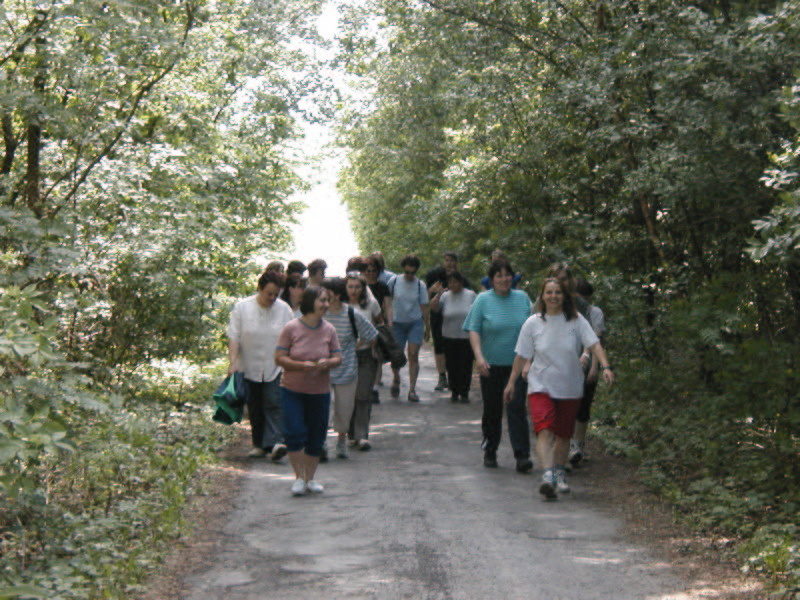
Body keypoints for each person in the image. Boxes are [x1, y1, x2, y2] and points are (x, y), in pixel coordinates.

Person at [503, 277, 614, 500]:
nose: (553, 297)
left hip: (570, 385)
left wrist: (605, 366)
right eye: (549, 292)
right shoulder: (532, 323)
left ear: (565, 296)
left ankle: (560, 472)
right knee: (544, 429)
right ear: (542, 296)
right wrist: (512, 382)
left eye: (558, 293)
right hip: (540, 385)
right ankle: (547, 475)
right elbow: (521, 355)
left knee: (563, 434)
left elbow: (594, 344)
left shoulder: (576, 321)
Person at [463, 258, 533, 472]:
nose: (504, 279)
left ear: (513, 278)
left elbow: (533, 330)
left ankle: (521, 455)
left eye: (507, 275)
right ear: (491, 280)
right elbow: (473, 329)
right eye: (499, 276)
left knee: (516, 407)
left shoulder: (522, 298)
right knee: (492, 408)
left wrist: (529, 361)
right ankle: (490, 448)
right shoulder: (483, 300)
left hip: (517, 365)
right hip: (491, 365)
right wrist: (479, 357)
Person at [275, 286, 342, 496]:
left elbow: (338, 357)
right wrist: (301, 365)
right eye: (322, 300)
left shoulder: (329, 330)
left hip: (319, 392)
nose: (326, 305)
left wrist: (327, 362)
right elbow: (279, 358)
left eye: (327, 301)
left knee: (316, 436)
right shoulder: (291, 328)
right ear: (310, 301)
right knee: (294, 432)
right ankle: (298, 478)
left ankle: (310, 479)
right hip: (292, 390)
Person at [227, 270, 294, 460]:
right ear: (260, 289)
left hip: (275, 366)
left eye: (276, 294)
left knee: (274, 402)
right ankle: (259, 444)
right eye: (269, 294)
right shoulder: (242, 308)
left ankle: (275, 444)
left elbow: (292, 336)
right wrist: (232, 362)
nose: (272, 298)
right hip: (248, 366)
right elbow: (234, 337)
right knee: (254, 406)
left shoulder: (284, 309)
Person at [322, 278, 378, 459]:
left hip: (347, 370)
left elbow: (372, 335)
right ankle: (321, 443)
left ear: (337, 295)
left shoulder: (352, 314)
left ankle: (341, 441)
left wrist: (356, 346)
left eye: (328, 294)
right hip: (322, 371)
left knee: (343, 410)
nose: (324, 297)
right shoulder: (320, 314)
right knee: (322, 409)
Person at [569, 279, 606, 467]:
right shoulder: (566, 312)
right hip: (569, 364)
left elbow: (596, 341)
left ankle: (578, 445)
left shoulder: (595, 313)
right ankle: (568, 444)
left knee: (584, 406)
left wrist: (594, 368)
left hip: (587, 362)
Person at [344, 273, 382, 450]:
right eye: (350, 287)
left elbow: (380, 323)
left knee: (363, 395)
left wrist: (373, 339)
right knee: (349, 396)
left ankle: (362, 435)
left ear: (363, 288)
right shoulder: (339, 306)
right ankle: (352, 432)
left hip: (366, 354)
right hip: (345, 356)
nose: (354, 290)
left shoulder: (371, 304)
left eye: (357, 287)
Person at [387, 254, 430, 403]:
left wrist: (427, 327)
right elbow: (387, 302)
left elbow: (424, 306)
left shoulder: (420, 285)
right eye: (407, 272)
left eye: (413, 272)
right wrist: (388, 321)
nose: (410, 275)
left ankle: (412, 389)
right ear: (403, 270)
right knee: (397, 355)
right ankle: (396, 378)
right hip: (397, 323)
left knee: (413, 354)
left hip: (415, 322)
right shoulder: (394, 281)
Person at [429, 270, 476, 403]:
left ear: (461, 282)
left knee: (465, 365)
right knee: (452, 365)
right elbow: (435, 308)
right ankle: (454, 391)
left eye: (455, 282)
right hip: (449, 335)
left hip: (466, 336)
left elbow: (477, 311)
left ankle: (464, 392)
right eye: (450, 282)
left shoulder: (470, 295)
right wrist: (437, 295)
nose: (453, 284)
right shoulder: (445, 296)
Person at [425, 251, 466, 391]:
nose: (449, 263)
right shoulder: (434, 275)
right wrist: (432, 291)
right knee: (439, 346)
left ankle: (455, 377)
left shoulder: (461, 278)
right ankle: (442, 376)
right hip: (438, 315)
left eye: (452, 260)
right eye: (447, 260)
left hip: (456, 317)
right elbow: (425, 297)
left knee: (455, 346)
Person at [363, 255, 393, 400]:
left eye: (373, 270)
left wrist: (389, 324)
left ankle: (374, 387)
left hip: (378, 323)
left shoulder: (382, 287)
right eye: (367, 270)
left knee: (377, 356)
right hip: (362, 325)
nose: (370, 273)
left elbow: (388, 306)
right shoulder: (360, 286)